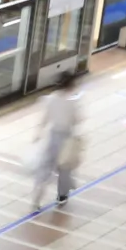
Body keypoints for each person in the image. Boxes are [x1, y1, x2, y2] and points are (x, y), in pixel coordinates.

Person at [32, 71, 82, 207]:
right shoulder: (72, 101)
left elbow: (44, 118)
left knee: (45, 166)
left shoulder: (51, 99)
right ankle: (62, 196)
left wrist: (38, 133)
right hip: (66, 138)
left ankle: (37, 197)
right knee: (65, 168)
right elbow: (78, 120)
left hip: (53, 136)